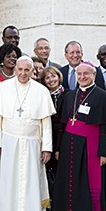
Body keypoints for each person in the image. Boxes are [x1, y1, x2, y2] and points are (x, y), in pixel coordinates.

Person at [0, 56, 55, 211]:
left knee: (30, 184)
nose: (23, 73)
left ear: (33, 71)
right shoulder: (2, 88)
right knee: (6, 184)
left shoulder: (41, 91)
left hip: (32, 144)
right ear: (15, 69)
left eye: (27, 70)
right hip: (7, 143)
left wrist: (47, 147)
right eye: (20, 69)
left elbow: (45, 123)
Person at [50, 62, 106, 211]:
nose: (82, 77)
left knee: (86, 184)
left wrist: (105, 152)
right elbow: (63, 125)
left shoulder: (102, 96)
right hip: (69, 145)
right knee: (67, 183)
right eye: (79, 74)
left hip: (90, 146)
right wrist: (58, 148)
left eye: (86, 73)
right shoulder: (70, 95)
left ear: (94, 75)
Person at [41, 66, 66, 200]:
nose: (51, 80)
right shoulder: (43, 96)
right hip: (47, 135)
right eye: (47, 78)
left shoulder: (67, 94)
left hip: (62, 136)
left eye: (53, 76)